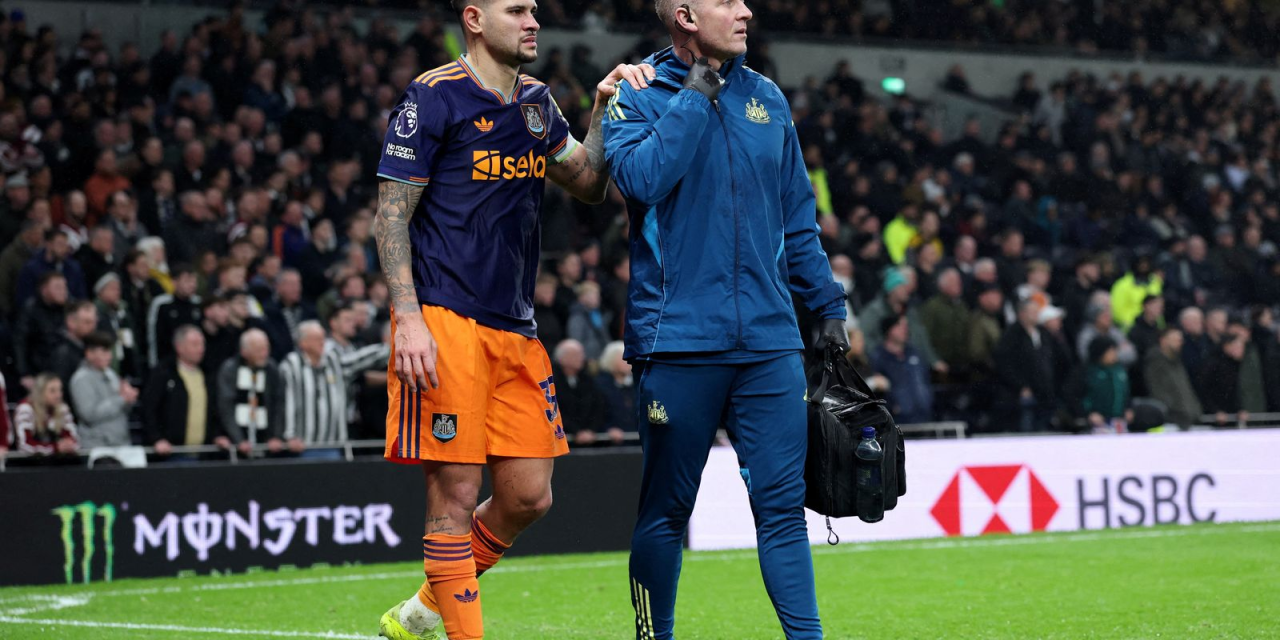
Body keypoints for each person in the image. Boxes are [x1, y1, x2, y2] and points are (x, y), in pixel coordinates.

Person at [371, 0, 654, 636]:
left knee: (529, 496)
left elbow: (587, 181)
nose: (533, 22)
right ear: (475, 19)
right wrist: (408, 318)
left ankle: (424, 609)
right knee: (454, 498)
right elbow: (390, 214)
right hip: (445, 319)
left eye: (534, 10)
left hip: (516, 328)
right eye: (517, 10)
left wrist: (603, 106)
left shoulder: (536, 102)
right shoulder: (434, 96)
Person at [602, 0, 851, 636]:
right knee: (666, 511)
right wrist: (696, 92)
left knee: (783, 511)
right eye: (727, 2)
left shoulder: (767, 97)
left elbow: (797, 214)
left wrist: (826, 305)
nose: (745, 11)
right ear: (685, 16)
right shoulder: (638, 94)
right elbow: (640, 180)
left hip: (770, 341)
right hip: (677, 341)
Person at [140, 325, 219, 457]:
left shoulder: (207, 374)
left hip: (204, 453)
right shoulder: (163, 373)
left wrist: (217, 435)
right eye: (195, 344)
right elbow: (149, 409)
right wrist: (156, 438)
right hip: (171, 454)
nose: (201, 349)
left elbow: (215, 410)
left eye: (202, 344)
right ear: (179, 347)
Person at [216, 328, 285, 457]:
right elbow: (226, 407)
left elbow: (278, 405)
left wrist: (275, 436)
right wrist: (238, 439)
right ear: (244, 351)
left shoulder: (271, 369)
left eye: (266, 348)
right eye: (259, 350)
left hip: (265, 443)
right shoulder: (230, 369)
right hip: (237, 446)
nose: (264, 353)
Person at [69, 332, 139, 449]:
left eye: (110, 352)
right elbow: (89, 415)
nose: (109, 356)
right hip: (97, 445)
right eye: (104, 352)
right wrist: (122, 399)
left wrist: (129, 398)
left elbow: (121, 409)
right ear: (89, 354)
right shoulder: (81, 379)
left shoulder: (111, 374)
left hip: (121, 443)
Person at [869, 314, 934, 424]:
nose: (905, 330)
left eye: (906, 326)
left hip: (924, 416)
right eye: (900, 326)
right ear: (889, 330)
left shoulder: (914, 353)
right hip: (897, 420)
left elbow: (925, 379)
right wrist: (893, 406)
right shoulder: (878, 357)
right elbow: (877, 387)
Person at [1143, 328, 1202, 429]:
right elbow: (1158, 392)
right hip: (1171, 422)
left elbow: (1186, 390)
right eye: (1175, 339)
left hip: (1186, 419)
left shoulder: (1177, 362)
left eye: (1180, 340)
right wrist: (1178, 411)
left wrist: (1195, 409)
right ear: (1163, 341)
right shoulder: (1155, 363)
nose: (1180, 343)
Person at [14, 373, 79, 456]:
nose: (58, 395)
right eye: (52, 391)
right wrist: (55, 448)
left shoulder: (62, 409)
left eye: (60, 390)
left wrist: (69, 445)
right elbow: (24, 445)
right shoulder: (25, 409)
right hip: (32, 461)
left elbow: (74, 440)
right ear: (40, 393)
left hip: (58, 460)